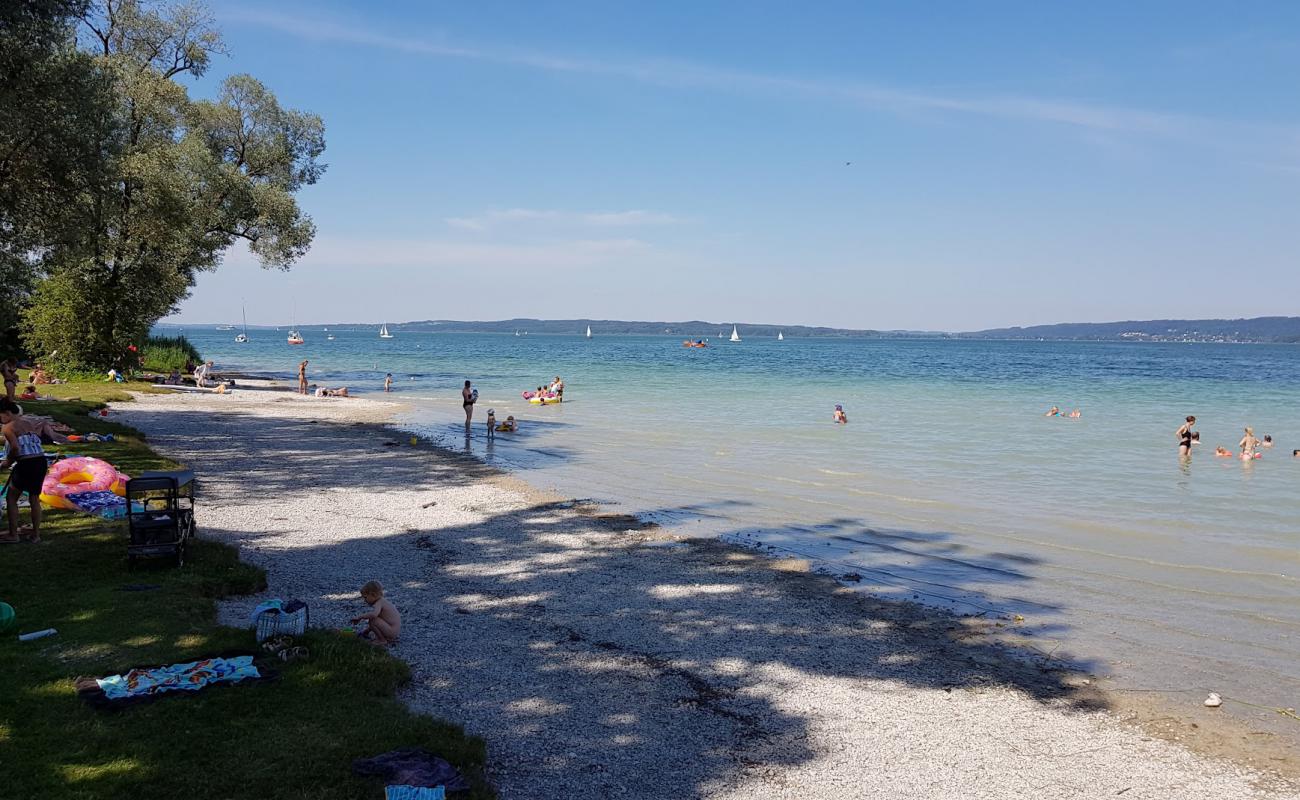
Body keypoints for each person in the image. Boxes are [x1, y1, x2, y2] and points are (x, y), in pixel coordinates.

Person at [0, 399, 50, 543]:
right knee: (34, 498)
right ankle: (36, 535)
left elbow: (15, 448)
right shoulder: (28, 422)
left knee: (11, 498)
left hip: (26, 463)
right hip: (40, 461)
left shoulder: (8, 427)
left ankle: (13, 535)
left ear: (7, 413)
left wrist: (7, 462)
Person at [351, 580, 401, 645]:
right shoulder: (382, 601)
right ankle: (383, 637)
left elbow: (374, 615)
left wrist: (360, 617)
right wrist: (366, 631)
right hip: (393, 630)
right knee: (375, 620)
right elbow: (379, 619)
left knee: (373, 620)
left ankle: (382, 640)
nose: (364, 600)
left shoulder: (379, 603)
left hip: (391, 631)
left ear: (373, 594)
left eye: (365, 597)